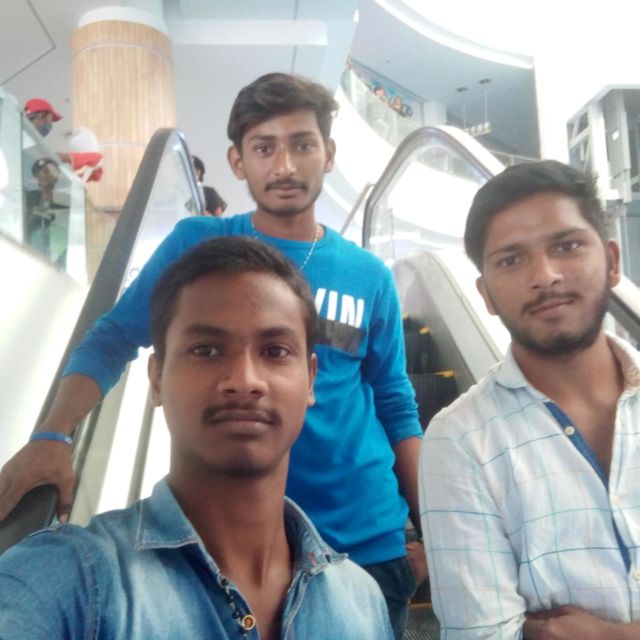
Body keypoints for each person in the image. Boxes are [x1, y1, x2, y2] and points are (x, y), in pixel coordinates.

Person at [0, 72, 424, 638]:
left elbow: (395, 402)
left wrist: (434, 530)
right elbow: (114, 337)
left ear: (328, 154)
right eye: (264, 148)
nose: (285, 166)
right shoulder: (197, 243)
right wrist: (53, 433)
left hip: (365, 545)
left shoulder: (369, 275)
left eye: (302, 144)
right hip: (222, 543)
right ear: (237, 161)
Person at [0, 237, 393, 639]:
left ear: (310, 379)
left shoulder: (362, 602)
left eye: (275, 351)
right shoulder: (71, 583)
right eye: (206, 350)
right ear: (156, 378)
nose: (244, 381)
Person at [419, 160, 640, 639]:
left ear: (612, 260)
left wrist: (609, 636)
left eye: (567, 246)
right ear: (486, 295)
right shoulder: (461, 441)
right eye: (511, 260)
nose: (545, 276)